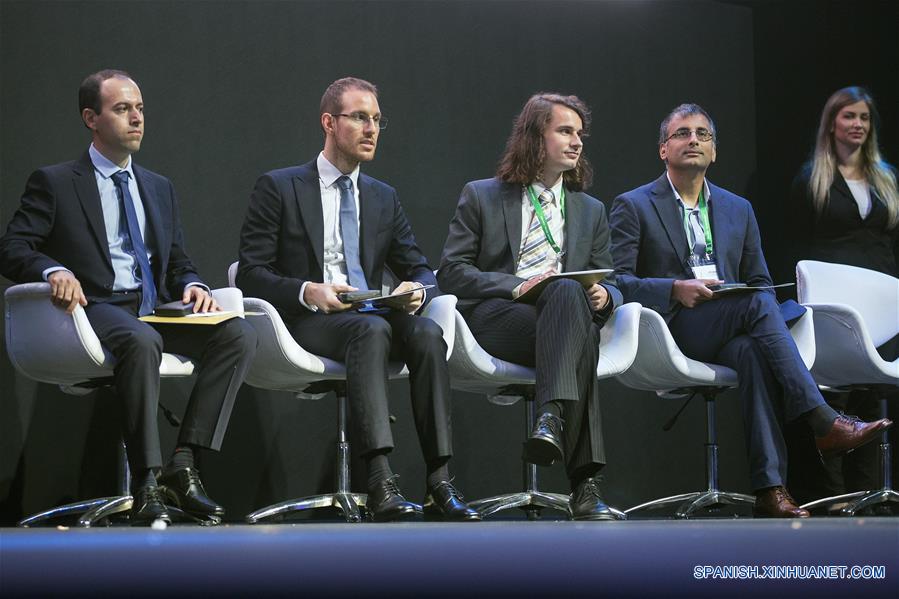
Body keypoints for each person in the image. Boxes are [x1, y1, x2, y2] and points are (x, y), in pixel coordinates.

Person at [609, 102, 892, 518]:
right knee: (760, 304)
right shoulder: (633, 205)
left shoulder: (737, 208)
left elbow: (758, 279)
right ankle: (822, 419)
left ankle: (770, 489)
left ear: (714, 151)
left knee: (753, 350)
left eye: (703, 134)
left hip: (734, 323)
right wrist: (674, 289)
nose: (693, 141)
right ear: (663, 149)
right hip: (672, 328)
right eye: (682, 134)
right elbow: (617, 282)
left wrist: (746, 301)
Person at [0, 70, 258, 525]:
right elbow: (13, 247)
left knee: (237, 334)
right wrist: (52, 269)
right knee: (140, 341)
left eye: (139, 108)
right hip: (94, 309)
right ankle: (147, 481)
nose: (136, 118)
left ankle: (183, 462)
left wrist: (193, 285)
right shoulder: (57, 182)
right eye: (122, 109)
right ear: (91, 118)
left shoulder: (158, 187)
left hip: (153, 310)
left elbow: (177, 262)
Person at [236, 77, 479, 522]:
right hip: (306, 320)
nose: (372, 129)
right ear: (329, 122)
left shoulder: (383, 197)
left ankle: (440, 482)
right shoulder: (280, 186)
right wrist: (309, 290)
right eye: (360, 118)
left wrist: (417, 289)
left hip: (370, 314)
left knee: (426, 332)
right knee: (371, 330)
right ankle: (380, 479)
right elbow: (250, 274)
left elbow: (421, 269)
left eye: (378, 120)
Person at [438, 93, 623, 520]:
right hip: (499, 317)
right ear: (534, 137)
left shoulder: (591, 210)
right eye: (564, 131)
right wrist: (520, 284)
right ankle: (585, 485)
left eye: (580, 134)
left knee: (567, 295)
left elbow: (611, 278)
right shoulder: (483, 196)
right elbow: (451, 272)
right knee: (577, 330)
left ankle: (550, 420)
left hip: (565, 315)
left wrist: (607, 296)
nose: (576, 142)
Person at [787, 86, 899, 503]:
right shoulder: (811, 179)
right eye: (849, 116)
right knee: (835, 399)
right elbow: (797, 246)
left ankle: (870, 494)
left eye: (864, 118)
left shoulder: (886, 178)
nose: (857, 125)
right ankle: (833, 497)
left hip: (884, 302)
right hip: (834, 303)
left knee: (874, 398)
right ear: (832, 123)